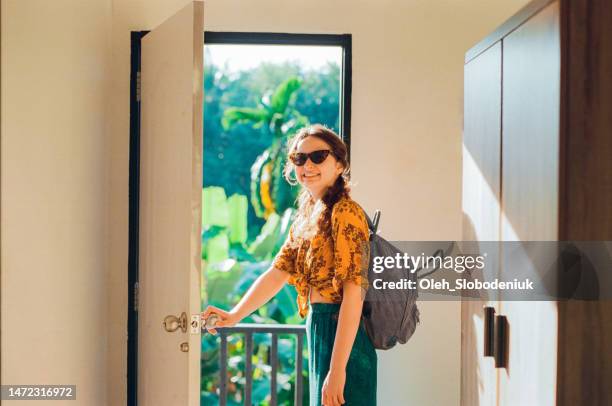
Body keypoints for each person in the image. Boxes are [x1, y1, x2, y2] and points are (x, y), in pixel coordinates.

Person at [201, 124, 377, 406]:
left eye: (318, 156)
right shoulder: (308, 215)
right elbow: (277, 273)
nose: (308, 164)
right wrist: (234, 315)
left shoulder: (345, 212)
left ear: (340, 163)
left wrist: (338, 369)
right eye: (299, 158)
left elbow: (353, 295)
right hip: (320, 328)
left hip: (343, 337)